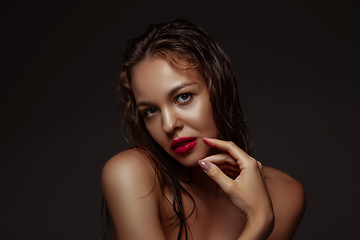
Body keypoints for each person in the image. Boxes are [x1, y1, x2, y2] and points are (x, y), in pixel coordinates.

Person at [101, 19, 305, 240]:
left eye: (183, 97)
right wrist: (260, 221)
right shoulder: (129, 174)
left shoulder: (284, 194)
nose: (168, 125)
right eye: (151, 111)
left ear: (218, 89)